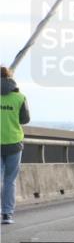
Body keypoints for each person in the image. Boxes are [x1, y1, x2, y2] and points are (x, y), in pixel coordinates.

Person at [1, 66, 30, 224]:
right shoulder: (20, 97)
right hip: (14, 143)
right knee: (9, 180)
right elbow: (25, 119)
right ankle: (7, 214)